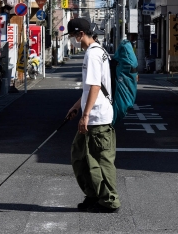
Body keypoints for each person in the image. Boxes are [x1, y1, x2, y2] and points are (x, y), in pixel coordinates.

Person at [65, 18, 120, 213]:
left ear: (80, 34)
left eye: (72, 36)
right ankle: (93, 194)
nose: (72, 40)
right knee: (80, 156)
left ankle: (108, 200)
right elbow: (90, 89)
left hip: (98, 117)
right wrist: (76, 107)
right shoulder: (98, 52)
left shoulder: (93, 55)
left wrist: (85, 115)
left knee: (99, 161)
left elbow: (96, 87)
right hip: (94, 115)